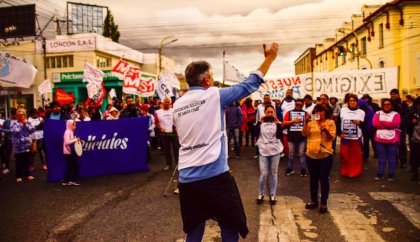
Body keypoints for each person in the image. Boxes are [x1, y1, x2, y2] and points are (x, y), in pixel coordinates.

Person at [173, 42, 278, 241]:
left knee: (194, 229)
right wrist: (269, 58)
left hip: (186, 177)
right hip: (214, 176)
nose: (212, 80)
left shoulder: (177, 105)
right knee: (230, 225)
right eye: (211, 76)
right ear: (206, 80)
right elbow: (250, 84)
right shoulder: (213, 96)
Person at [302, 104, 336, 214]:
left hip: (325, 155)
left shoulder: (330, 123)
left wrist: (325, 130)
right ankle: (313, 201)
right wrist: (306, 122)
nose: (318, 113)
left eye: (320, 111)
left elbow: (332, 137)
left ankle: (323, 202)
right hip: (311, 154)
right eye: (316, 111)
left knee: (324, 179)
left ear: (325, 112)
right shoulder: (311, 122)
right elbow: (304, 134)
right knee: (313, 179)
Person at [255, 104, 283, 205]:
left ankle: (272, 194)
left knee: (274, 173)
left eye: (272, 112)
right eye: (268, 112)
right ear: (265, 113)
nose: (270, 114)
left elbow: (280, 136)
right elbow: (255, 134)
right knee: (263, 174)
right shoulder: (261, 123)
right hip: (263, 151)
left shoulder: (277, 123)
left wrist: (278, 124)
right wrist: (259, 122)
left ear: (274, 113)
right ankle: (261, 193)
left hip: (275, 151)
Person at [372, 98, 401, 181]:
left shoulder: (396, 114)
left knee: (392, 158)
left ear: (391, 106)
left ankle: (391, 174)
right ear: (382, 105)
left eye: (388, 104)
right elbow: (375, 124)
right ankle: (380, 174)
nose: (386, 106)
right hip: (380, 139)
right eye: (384, 104)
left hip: (392, 139)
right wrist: (389, 125)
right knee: (381, 158)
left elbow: (395, 124)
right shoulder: (378, 113)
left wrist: (382, 122)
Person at [337, 94, 365, 177]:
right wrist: (339, 133)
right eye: (350, 101)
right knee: (344, 155)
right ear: (348, 102)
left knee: (355, 156)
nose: (352, 102)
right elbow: (338, 122)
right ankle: (345, 171)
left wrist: (360, 123)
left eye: (354, 101)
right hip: (345, 137)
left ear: (357, 102)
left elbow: (366, 125)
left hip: (356, 138)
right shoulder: (343, 110)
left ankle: (355, 172)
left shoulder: (361, 112)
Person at [282, 98, 309, 176]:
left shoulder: (306, 113)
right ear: (295, 104)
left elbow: (309, 122)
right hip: (291, 136)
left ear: (303, 105)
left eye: (300, 105)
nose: (298, 106)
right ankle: (290, 168)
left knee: (301, 153)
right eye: (297, 104)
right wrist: (293, 121)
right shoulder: (289, 113)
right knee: (291, 154)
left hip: (302, 137)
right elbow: (284, 123)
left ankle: (303, 169)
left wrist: (306, 122)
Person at [10, 108, 35, 183]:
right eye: (19, 115)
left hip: (27, 145)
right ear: (17, 116)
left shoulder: (28, 122)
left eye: (22, 115)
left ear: (25, 115)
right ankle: (18, 176)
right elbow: (14, 132)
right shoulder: (14, 123)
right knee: (19, 162)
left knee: (27, 161)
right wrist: (21, 125)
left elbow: (32, 129)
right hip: (18, 146)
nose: (20, 117)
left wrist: (26, 124)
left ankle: (27, 174)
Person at [155, 97, 179, 171]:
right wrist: (160, 128)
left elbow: (178, 120)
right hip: (164, 134)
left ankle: (178, 165)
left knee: (176, 149)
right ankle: (169, 164)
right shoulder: (158, 112)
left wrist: (176, 128)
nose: (168, 104)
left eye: (169, 102)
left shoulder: (174, 111)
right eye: (166, 102)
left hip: (173, 133)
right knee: (167, 150)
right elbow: (156, 122)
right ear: (162, 103)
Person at [390, 88, 409, 168]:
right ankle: (394, 160)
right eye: (392, 94)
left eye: (395, 94)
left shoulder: (403, 103)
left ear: (398, 94)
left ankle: (403, 161)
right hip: (391, 127)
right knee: (392, 144)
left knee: (402, 144)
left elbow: (406, 113)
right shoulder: (388, 103)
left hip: (401, 127)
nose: (393, 95)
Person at [62, 120, 81, 186]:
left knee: (70, 166)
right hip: (68, 151)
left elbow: (71, 141)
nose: (75, 126)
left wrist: (77, 141)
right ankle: (72, 180)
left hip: (70, 151)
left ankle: (66, 180)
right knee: (74, 166)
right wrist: (76, 139)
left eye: (75, 125)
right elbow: (67, 142)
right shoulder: (67, 132)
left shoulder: (71, 132)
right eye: (74, 125)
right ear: (70, 125)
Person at [1, 108, 16, 175]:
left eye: (15, 114)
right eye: (13, 114)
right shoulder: (7, 121)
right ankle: (7, 168)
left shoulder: (20, 121)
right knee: (8, 154)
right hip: (8, 139)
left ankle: (21, 169)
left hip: (18, 140)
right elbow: (3, 129)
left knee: (19, 155)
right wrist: (3, 136)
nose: (14, 116)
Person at [408, 97, 420, 181]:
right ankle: (415, 173)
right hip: (416, 139)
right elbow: (406, 120)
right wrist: (412, 121)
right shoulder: (414, 113)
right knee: (415, 158)